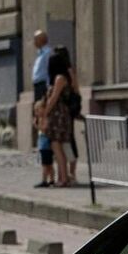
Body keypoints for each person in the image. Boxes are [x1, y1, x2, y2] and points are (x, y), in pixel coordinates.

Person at [37, 47, 78, 188]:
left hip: (59, 116)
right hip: (57, 115)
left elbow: (54, 98)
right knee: (58, 148)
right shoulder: (59, 78)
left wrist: (45, 112)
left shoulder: (60, 78)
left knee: (57, 147)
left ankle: (64, 178)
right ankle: (62, 177)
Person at [31, 29, 54, 188]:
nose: (34, 42)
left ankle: (49, 179)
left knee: (42, 112)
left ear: (42, 40)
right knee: (38, 112)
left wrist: (46, 92)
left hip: (43, 87)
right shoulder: (39, 53)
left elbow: (47, 73)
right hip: (37, 86)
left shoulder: (47, 53)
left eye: (36, 39)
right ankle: (48, 178)